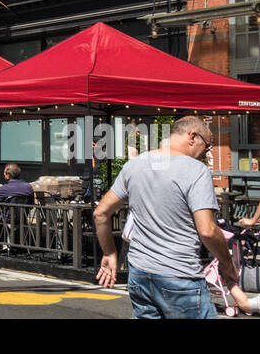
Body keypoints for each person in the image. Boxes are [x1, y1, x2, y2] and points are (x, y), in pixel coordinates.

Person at [93, 116, 237, 318]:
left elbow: (101, 213)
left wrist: (109, 253)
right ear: (192, 137)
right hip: (179, 275)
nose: (206, 153)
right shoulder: (196, 171)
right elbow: (207, 230)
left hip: (140, 274)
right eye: (207, 146)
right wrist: (227, 263)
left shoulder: (134, 166)